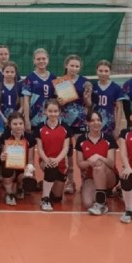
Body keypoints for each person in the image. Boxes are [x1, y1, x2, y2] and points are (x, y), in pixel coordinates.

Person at [58, 54, 92, 194]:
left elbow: (89, 105)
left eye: (77, 66)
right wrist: (59, 102)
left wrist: (86, 98)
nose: (74, 68)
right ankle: (70, 182)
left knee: (82, 152)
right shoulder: (61, 82)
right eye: (72, 65)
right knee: (68, 152)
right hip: (65, 122)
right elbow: (57, 105)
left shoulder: (85, 83)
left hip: (80, 122)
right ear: (66, 65)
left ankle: (85, 181)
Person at [75, 111, 118, 216]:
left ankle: (101, 204)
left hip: (109, 176)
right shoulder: (81, 139)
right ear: (87, 123)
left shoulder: (109, 138)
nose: (96, 123)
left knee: (99, 166)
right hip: (90, 177)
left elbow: (111, 164)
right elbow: (80, 164)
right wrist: (90, 162)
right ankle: (102, 193)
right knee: (88, 203)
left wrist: (99, 157)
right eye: (93, 120)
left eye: (98, 120)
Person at [35, 99, 71, 212]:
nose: (53, 114)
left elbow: (66, 148)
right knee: (50, 167)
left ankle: (45, 184)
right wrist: (47, 160)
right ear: (45, 111)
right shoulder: (40, 127)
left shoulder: (65, 127)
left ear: (59, 111)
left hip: (60, 163)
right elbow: (40, 148)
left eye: (55, 111)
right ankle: (45, 198)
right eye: (50, 111)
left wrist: (57, 159)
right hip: (45, 161)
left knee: (56, 198)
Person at [0, 112, 36, 205]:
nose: (18, 126)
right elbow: (4, 156)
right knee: (6, 167)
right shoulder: (5, 136)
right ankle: (9, 193)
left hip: (23, 167)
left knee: (28, 177)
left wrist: (29, 171)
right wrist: (2, 157)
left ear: (24, 124)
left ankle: (20, 187)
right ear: (10, 125)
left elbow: (31, 159)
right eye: (15, 124)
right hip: (10, 166)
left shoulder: (29, 137)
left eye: (20, 123)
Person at [22, 48, 56, 131]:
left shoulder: (53, 78)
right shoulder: (30, 78)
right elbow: (26, 101)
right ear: (34, 61)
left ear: (48, 60)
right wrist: (27, 120)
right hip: (34, 119)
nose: (41, 61)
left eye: (43, 58)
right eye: (38, 59)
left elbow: (56, 99)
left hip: (50, 118)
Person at [91, 60, 124, 138]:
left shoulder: (116, 87)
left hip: (109, 124)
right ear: (96, 71)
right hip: (95, 123)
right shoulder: (93, 87)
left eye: (106, 71)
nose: (103, 73)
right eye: (100, 71)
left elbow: (119, 108)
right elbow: (89, 106)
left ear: (110, 72)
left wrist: (117, 128)